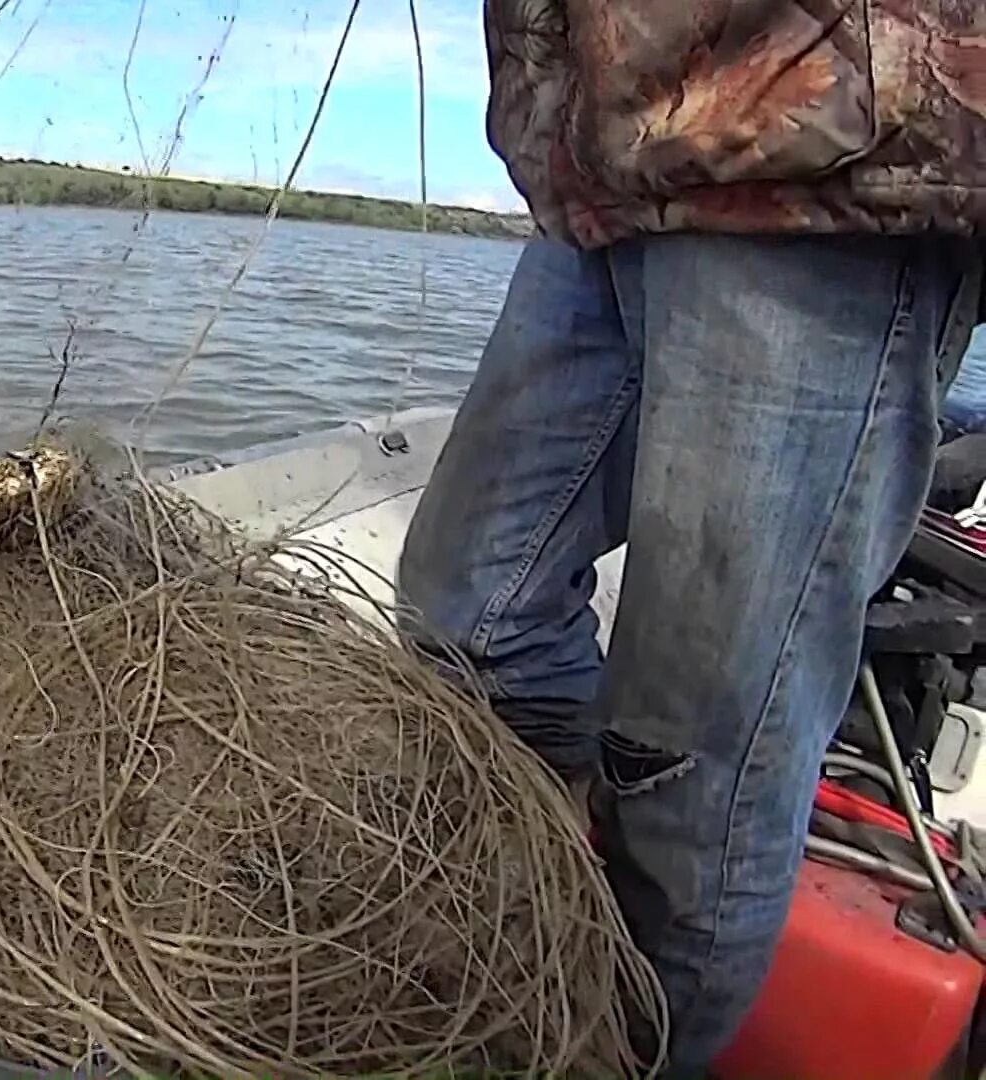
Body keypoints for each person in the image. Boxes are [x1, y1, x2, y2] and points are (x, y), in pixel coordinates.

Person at [394, 5, 985, 1076]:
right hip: (606, 167)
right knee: (470, 617)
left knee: (692, 771)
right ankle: (541, 946)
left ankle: (607, 1056)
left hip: (826, 155)